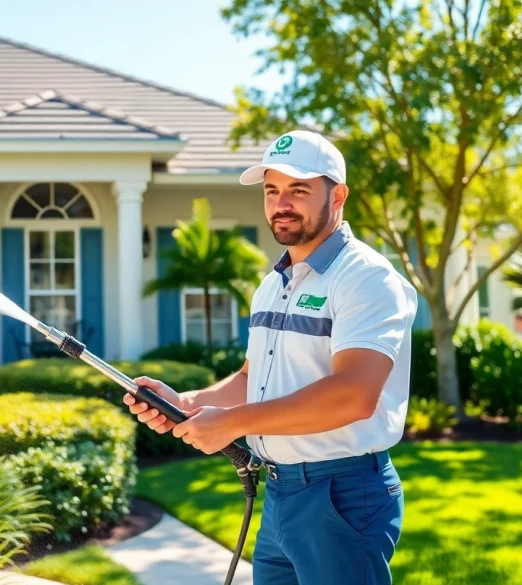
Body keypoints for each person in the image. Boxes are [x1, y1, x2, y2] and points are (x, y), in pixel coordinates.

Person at [124, 130, 418, 585]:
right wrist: (187, 402)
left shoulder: (365, 278)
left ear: (337, 195)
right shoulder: (273, 283)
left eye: (298, 190)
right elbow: (252, 375)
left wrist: (233, 422)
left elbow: (354, 396)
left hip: (341, 494)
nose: (282, 203)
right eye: (272, 190)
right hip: (282, 494)